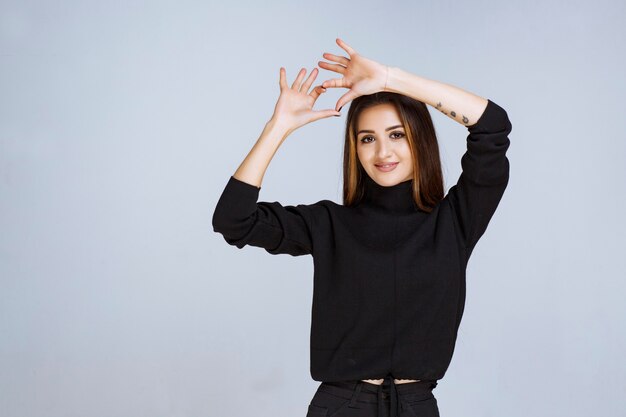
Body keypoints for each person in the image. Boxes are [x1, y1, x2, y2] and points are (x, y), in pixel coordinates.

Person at [212, 38, 512, 417]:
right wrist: (279, 127)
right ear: (354, 149)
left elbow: (492, 125)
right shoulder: (329, 224)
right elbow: (232, 220)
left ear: (419, 140)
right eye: (367, 139)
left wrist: (390, 79)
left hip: (417, 405)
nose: (382, 152)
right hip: (341, 406)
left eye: (396, 134)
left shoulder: (454, 221)